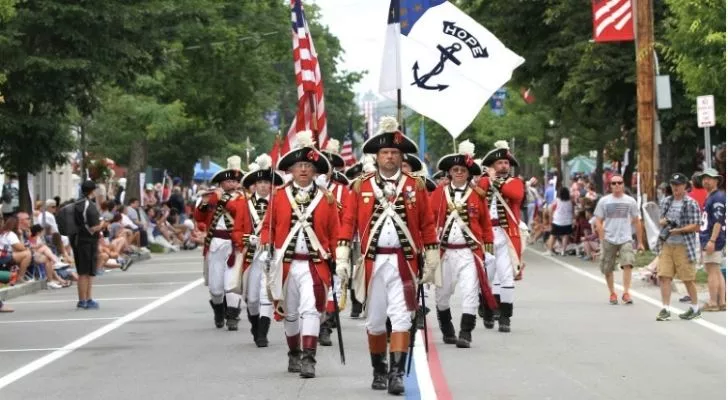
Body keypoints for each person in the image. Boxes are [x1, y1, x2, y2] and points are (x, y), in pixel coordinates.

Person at [336, 117, 439, 394]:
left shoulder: (416, 185)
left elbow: (427, 225)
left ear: (401, 156)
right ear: (377, 156)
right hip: (373, 262)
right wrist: (343, 256)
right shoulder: (361, 186)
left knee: (403, 317)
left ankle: (396, 374)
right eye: (384, 153)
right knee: (375, 320)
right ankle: (378, 370)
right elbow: (348, 223)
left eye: (394, 153)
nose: (390, 157)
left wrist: (431, 259)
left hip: (404, 261)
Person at [259, 131, 339, 379]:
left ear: (315, 171)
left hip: (315, 265)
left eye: (308, 166)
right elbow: (267, 227)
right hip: (286, 264)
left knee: (311, 310)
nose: (303, 170)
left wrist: (340, 260)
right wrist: (266, 246)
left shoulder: (327, 199)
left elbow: (335, 233)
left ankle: (308, 358)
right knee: (290, 314)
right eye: (299, 166)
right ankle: (293, 353)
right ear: (291, 170)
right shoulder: (279, 196)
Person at [429, 140, 495, 348]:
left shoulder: (477, 195)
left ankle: (466, 333)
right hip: (444, 252)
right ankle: (447, 329)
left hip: (469, 251)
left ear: (468, 173)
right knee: (442, 294)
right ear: (449, 172)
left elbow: (485, 224)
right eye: (455, 169)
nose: (459, 173)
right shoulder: (438, 194)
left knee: (469, 291)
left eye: (462, 170)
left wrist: (487, 247)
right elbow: (429, 220)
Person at [194, 156, 252, 331]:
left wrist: (223, 200)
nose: (232, 184)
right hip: (215, 243)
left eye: (234, 180)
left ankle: (232, 317)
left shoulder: (244, 198)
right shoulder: (213, 197)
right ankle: (219, 311)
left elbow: (239, 213)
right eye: (228, 181)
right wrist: (204, 203)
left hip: (235, 245)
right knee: (216, 288)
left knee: (232, 284)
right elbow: (200, 218)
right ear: (221, 183)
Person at [477, 140, 524, 332]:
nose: (504, 166)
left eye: (506, 163)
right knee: (486, 275)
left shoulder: (516, 182)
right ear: (492, 166)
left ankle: (506, 317)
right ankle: (488, 309)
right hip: (486, 235)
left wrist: (493, 180)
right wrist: (485, 180)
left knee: (506, 275)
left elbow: (515, 195)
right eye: (500, 163)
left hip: (506, 235)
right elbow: (478, 195)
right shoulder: (483, 181)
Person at [240, 154, 283, 347]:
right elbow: (237, 231)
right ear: (254, 185)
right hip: (252, 255)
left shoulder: (279, 203)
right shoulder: (245, 204)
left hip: (271, 254)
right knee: (252, 299)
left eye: (267, 182)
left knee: (267, 295)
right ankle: (255, 326)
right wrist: (247, 238)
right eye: (260, 182)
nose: (264, 186)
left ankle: (262, 334)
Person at [317, 139, 351, 346]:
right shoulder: (307, 189)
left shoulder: (341, 189)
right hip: (314, 243)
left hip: (336, 241)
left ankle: (326, 326)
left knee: (335, 285)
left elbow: (347, 216)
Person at [655, 173, 701, 321]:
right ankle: (665, 308)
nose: (675, 187)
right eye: (673, 185)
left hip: (684, 244)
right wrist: (663, 222)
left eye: (678, 185)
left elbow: (696, 225)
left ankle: (695, 308)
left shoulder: (691, 203)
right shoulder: (666, 201)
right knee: (664, 276)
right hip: (667, 243)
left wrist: (679, 230)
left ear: (685, 186)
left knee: (688, 278)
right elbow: (661, 219)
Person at [593, 174, 644, 305]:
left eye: (619, 183)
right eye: (613, 183)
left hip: (625, 237)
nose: (617, 185)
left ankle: (626, 293)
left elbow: (637, 221)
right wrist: (601, 236)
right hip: (609, 238)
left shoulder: (630, 201)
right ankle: (612, 293)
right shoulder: (604, 201)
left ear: (623, 184)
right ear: (610, 186)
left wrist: (640, 242)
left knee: (628, 263)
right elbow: (598, 220)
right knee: (607, 267)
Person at [71, 180, 108, 309]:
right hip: (87, 241)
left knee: (85, 271)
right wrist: (103, 224)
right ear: (92, 191)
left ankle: (85, 299)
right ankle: (85, 299)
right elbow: (93, 228)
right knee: (86, 272)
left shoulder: (77, 203)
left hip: (79, 240)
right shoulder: (89, 206)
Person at [698, 168, 726, 311]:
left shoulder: (718, 197)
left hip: (713, 238)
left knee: (712, 270)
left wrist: (712, 240)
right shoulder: (711, 196)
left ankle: (713, 302)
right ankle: (722, 301)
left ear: (716, 181)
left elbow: (718, 220)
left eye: (709, 178)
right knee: (717, 270)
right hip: (710, 237)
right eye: (704, 178)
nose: (706, 181)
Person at [0, 216, 32, 282]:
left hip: (4, 253)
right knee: (27, 254)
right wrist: (27, 248)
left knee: (25, 253)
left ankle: (19, 275)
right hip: (4, 255)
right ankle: (20, 277)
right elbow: (20, 247)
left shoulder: (3, 233)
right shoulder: (10, 234)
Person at [544, 187, 574, 256]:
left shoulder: (556, 201)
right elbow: (572, 211)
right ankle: (563, 251)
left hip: (557, 221)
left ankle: (549, 250)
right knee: (565, 235)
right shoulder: (571, 201)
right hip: (568, 221)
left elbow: (551, 210)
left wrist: (550, 221)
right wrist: (572, 220)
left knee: (553, 235)